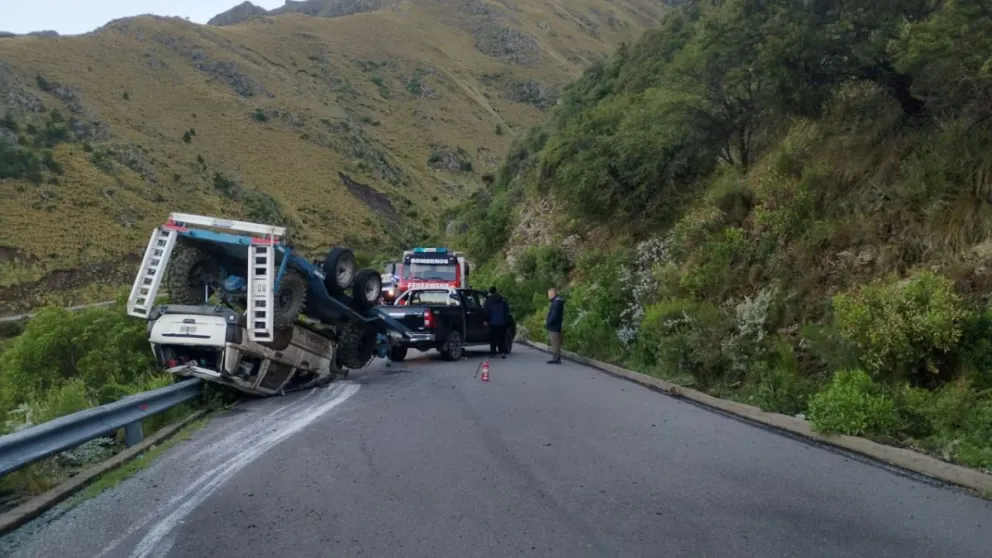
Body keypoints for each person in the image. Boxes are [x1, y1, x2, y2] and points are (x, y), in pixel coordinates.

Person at [483, 286, 510, 358]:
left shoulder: (489, 300)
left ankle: (493, 353)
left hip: (493, 322)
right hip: (502, 322)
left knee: (493, 338)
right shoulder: (502, 299)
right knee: (501, 338)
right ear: (496, 291)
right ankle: (502, 352)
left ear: (490, 292)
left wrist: (486, 320)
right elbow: (507, 310)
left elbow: (486, 311)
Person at [545, 288, 565, 364]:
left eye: (549, 294)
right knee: (556, 341)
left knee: (555, 341)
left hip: (554, 325)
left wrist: (549, 322)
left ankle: (556, 358)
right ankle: (556, 357)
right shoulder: (557, 302)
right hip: (556, 325)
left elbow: (554, 314)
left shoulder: (556, 303)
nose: (548, 296)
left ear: (553, 294)